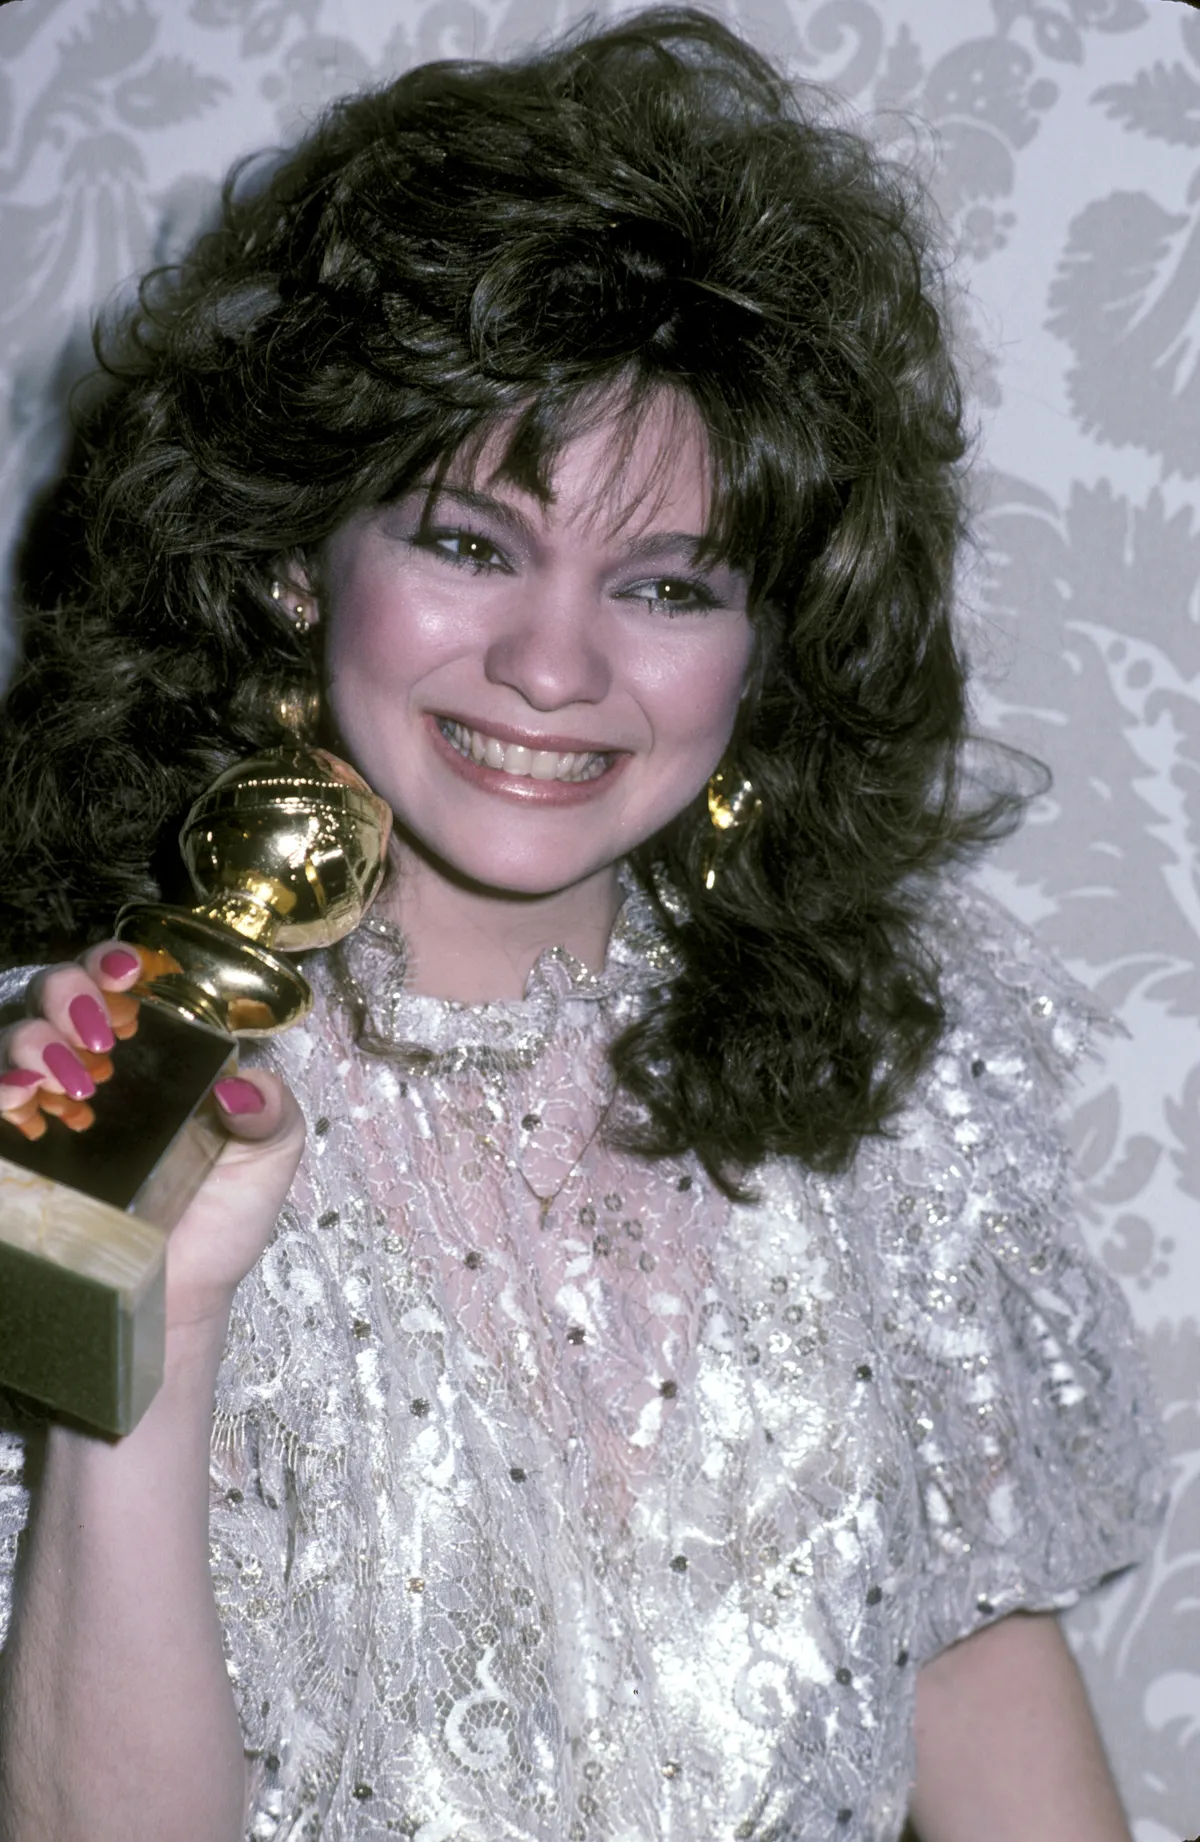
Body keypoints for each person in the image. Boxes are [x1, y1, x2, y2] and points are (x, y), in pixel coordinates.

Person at [0, 10, 1165, 1840]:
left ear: (764, 646)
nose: (554, 666)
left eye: (665, 582)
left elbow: (992, 1718)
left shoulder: (890, 1121)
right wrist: (136, 1300)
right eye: (470, 542)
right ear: (301, 556)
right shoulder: (92, 1086)